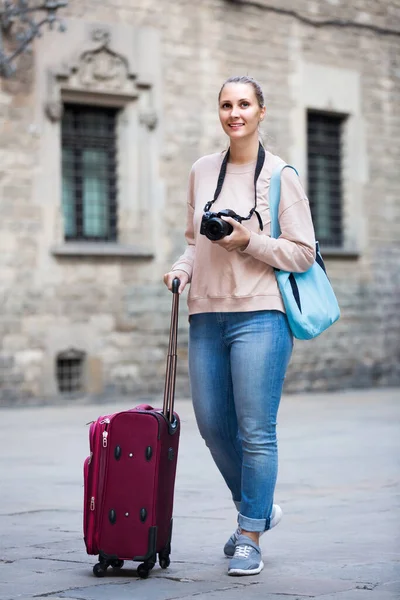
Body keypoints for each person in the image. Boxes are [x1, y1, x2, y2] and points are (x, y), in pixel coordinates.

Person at [163, 75, 316, 576]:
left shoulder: (280, 174)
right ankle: (262, 506)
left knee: (256, 430)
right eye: (227, 105)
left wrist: (248, 241)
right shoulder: (201, 170)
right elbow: (193, 239)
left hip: (261, 315)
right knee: (211, 424)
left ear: (261, 111)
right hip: (206, 313)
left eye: (244, 104)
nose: (235, 113)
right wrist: (182, 270)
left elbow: (302, 253)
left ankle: (249, 531)